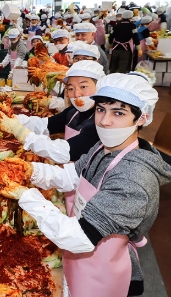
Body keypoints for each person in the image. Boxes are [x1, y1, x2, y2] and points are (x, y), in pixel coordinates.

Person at [12, 73, 171, 297]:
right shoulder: (102, 148)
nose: (104, 121)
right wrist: (27, 170)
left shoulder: (134, 177)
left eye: (118, 113)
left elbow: (80, 237)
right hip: (77, 259)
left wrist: (24, 194)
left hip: (100, 274)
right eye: (100, 109)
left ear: (142, 118)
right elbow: (71, 176)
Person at [0, 61, 104, 164]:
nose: (76, 94)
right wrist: (12, 119)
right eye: (71, 88)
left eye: (83, 87)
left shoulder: (102, 123)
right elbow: (45, 125)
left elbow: (65, 151)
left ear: (100, 87)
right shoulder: (73, 112)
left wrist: (20, 131)